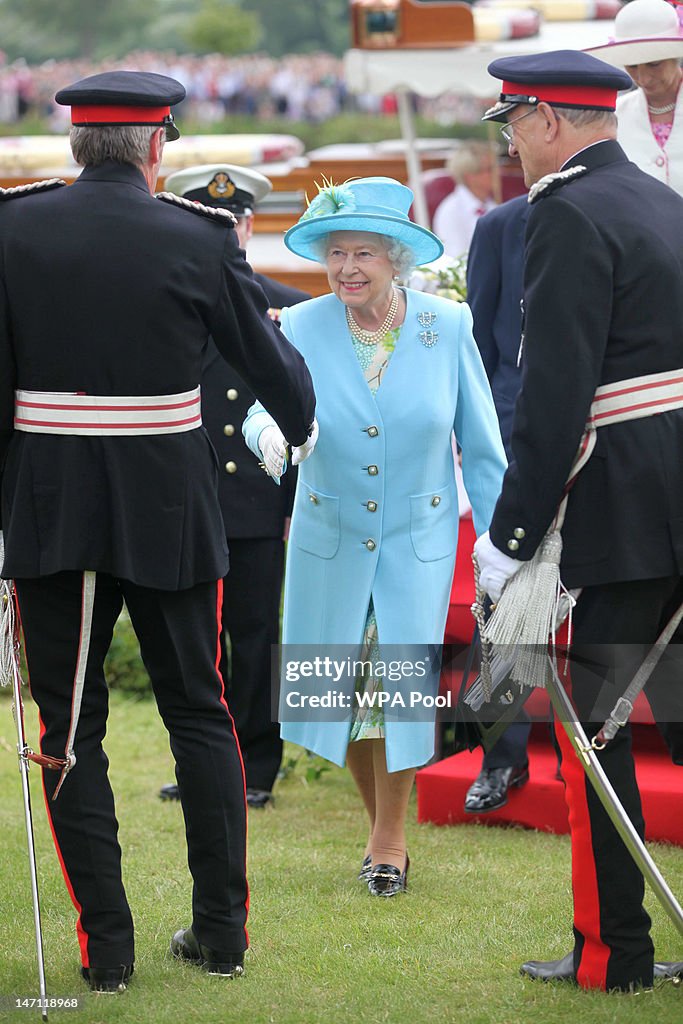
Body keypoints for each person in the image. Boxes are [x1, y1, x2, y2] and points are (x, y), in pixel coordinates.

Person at [0, 71, 316, 991]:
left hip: (51, 509)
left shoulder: (13, 229)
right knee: (199, 715)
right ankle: (220, 932)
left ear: (74, 146)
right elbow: (280, 378)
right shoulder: (201, 236)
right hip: (171, 509)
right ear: (155, 147)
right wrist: (297, 425)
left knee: (71, 726)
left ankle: (106, 950)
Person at [475, 49, 683, 991]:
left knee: (591, 732)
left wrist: (511, 539)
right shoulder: (659, 201)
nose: (511, 143)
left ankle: (616, 955)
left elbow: (552, 397)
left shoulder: (563, 212)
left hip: (627, 507)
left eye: (511, 122)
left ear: (550, 121)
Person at [243, 177, 507, 897]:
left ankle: (389, 839)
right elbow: (261, 410)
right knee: (340, 693)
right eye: (335, 254)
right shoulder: (299, 327)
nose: (346, 268)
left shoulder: (444, 325)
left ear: (395, 258)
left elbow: (481, 447)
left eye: (362, 253)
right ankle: (377, 825)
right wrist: (270, 438)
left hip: (412, 543)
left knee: (393, 691)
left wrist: (504, 545)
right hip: (328, 540)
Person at [158, 164, 310, 809]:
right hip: (186, 494)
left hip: (255, 495)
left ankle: (256, 766)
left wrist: (293, 501)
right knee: (190, 637)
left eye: (236, 220)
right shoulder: (163, 301)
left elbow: (306, 411)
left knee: (253, 635)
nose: (231, 230)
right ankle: (202, 763)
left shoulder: (289, 307)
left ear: (250, 224)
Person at [461, 194, 532, 813]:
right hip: (514, 439)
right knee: (502, 595)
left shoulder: (627, 209)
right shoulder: (500, 226)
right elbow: (479, 338)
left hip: (615, 432)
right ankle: (503, 757)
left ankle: (597, 744)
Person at [586, 0, 683, 195]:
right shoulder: (612, 117)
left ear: (676, 56)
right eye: (632, 67)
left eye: (654, 64)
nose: (643, 78)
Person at [432, 141, 497, 257]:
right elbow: (458, 258)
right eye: (489, 169)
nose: (497, 173)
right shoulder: (450, 211)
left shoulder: (491, 204)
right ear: (470, 176)